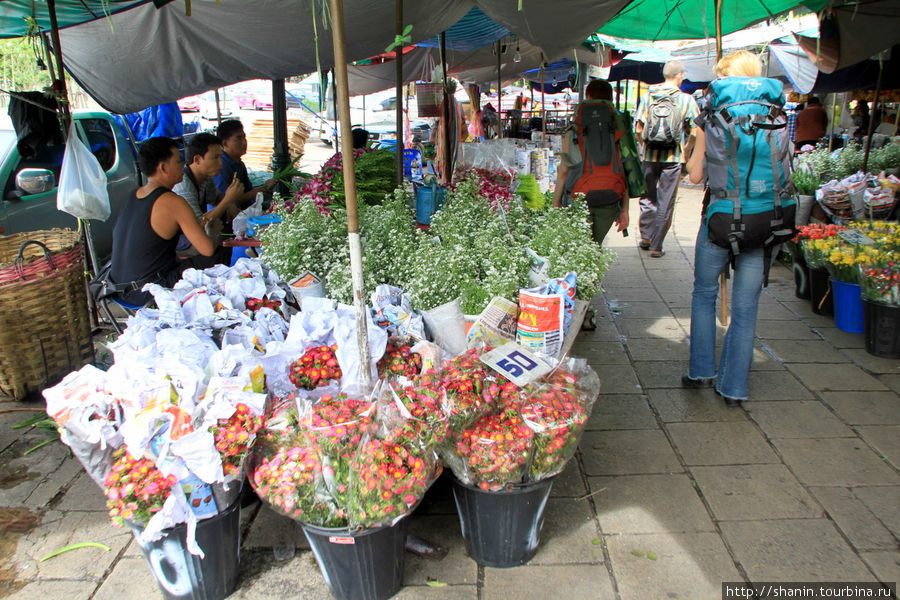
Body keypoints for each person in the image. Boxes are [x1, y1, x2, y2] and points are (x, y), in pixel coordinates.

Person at [682, 50, 771, 408]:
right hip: (765, 218)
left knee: (704, 293)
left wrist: (695, 142)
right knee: (746, 308)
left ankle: (701, 371)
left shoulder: (712, 119)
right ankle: (734, 388)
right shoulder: (777, 116)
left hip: (719, 218)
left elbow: (695, 174)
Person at [109, 137, 222, 306]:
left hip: (119, 288)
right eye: (178, 161)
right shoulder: (172, 201)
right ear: (163, 167)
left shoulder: (134, 194)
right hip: (149, 291)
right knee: (219, 253)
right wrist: (213, 231)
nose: (183, 167)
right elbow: (207, 249)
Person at [634, 60, 700, 258]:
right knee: (666, 200)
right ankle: (656, 246)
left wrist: (645, 145)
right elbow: (695, 131)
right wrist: (687, 149)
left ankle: (645, 237)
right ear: (680, 75)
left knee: (647, 196)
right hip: (674, 157)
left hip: (649, 155)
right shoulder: (686, 100)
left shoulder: (648, 97)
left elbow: (637, 128)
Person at [552, 79, 628, 246]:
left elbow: (563, 170)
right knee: (595, 246)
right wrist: (625, 211)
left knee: (578, 249)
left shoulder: (573, 131)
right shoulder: (619, 130)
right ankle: (595, 269)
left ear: (588, 97)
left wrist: (555, 202)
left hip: (579, 197)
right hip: (610, 199)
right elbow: (627, 170)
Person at [172, 132, 244, 263]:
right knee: (217, 239)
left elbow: (216, 198)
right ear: (197, 160)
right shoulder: (183, 186)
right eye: (215, 158)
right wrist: (228, 200)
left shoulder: (206, 177)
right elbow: (198, 224)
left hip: (197, 232)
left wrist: (230, 205)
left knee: (226, 229)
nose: (220, 163)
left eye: (221, 157)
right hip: (183, 241)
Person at [213, 119, 273, 207]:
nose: (244, 142)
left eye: (244, 137)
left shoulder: (239, 164)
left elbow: (248, 190)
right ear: (225, 143)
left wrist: (263, 189)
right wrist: (251, 194)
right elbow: (224, 202)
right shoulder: (221, 166)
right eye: (238, 138)